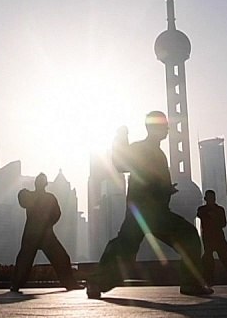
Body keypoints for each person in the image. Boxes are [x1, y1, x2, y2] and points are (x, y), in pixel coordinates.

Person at [87, 111, 212, 298]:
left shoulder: (157, 153)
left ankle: (97, 282)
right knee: (189, 237)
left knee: (124, 248)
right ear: (155, 128)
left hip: (144, 212)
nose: (167, 131)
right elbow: (120, 164)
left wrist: (166, 189)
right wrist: (121, 139)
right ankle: (191, 283)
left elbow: (151, 180)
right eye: (164, 127)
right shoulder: (141, 149)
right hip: (150, 212)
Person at [10, 173, 82, 292]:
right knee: (24, 260)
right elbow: (22, 200)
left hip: (42, 234)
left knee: (62, 257)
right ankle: (16, 284)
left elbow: (57, 214)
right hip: (36, 234)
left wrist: (48, 224)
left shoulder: (47, 198)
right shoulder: (32, 196)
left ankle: (69, 283)